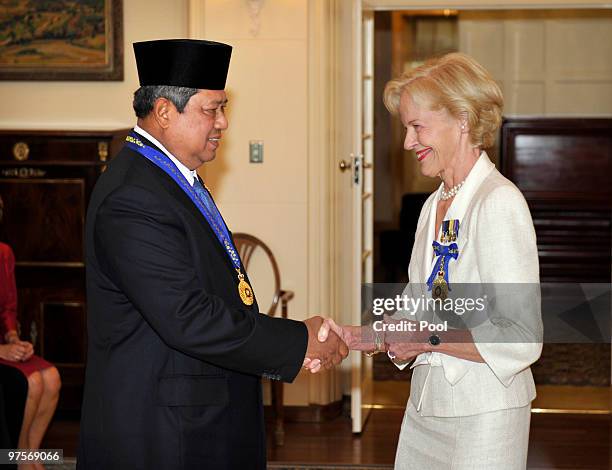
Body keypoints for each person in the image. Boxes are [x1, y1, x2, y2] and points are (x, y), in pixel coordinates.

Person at [76, 39, 347, 470]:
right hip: (163, 433)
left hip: (194, 415)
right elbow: (188, 316)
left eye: (224, 109)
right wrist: (298, 341)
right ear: (165, 112)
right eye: (211, 109)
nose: (222, 122)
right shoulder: (133, 196)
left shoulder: (170, 178)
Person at [318, 52, 543, 469]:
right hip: (426, 406)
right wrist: (357, 336)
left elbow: (522, 335)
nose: (407, 142)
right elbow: (418, 306)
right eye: (406, 128)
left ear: (462, 119)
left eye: (417, 126)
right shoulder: (433, 204)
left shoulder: (499, 202)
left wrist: (426, 338)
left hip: (485, 410)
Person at [0, 195, 62, 470]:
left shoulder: (4, 253)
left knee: (51, 376)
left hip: (4, 343)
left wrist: (13, 337)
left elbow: (8, 308)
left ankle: (30, 454)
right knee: (33, 382)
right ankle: (18, 459)